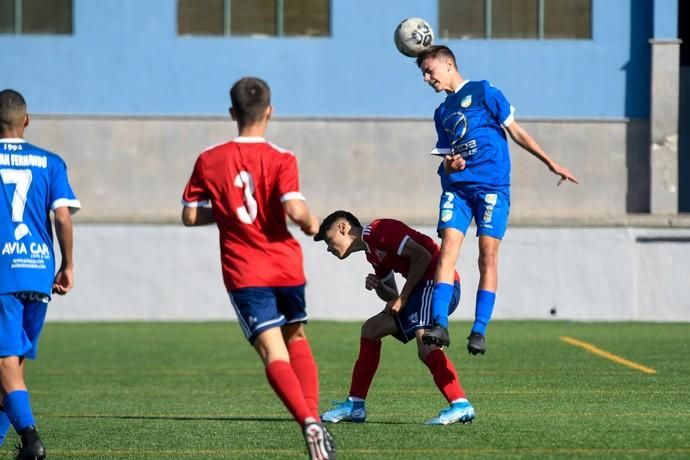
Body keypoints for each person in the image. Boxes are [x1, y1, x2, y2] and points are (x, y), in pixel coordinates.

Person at [180, 77, 335, 460]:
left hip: (244, 271)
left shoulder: (209, 158)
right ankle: (314, 415)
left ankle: (308, 423)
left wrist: (229, 214)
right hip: (285, 265)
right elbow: (295, 209)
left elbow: (189, 215)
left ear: (232, 113)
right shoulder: (282, 157)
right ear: (270, 111)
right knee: (297, 338)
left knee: (273, 352)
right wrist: (313, 223)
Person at [415, 46, 579, 355]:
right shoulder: (442, 113)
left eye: (429, 70)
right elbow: (446, 159)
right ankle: (440, 324)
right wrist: (451, 165)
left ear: (448, 64)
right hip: (458, 191)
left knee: (487, 256)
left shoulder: (483, 91)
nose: (426, 78)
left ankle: (479, 330)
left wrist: (550, 162)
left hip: (492, 188)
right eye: (423, 73)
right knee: (447, 250)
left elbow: (516, 132)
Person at [313, 210, 475, 426]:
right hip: (419, 290)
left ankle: (460, 403)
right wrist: (381, 287)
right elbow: (392, 296)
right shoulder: (372, 253)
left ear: (342, 228)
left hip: (437, 284)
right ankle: (356, 405)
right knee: (371, 329)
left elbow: (423, 256)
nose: (327, 246)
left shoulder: (379, 230)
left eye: (328, 237)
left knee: (425, 343)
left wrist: (404, 297)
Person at [0, 89, 80, 459]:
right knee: (11, 363)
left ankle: (31, 439)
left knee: (3, 362)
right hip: (37, 272)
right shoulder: (50, 162)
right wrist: (67, 264)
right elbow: (62, 217)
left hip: (2, 272)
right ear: (26, 121)